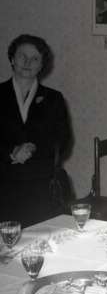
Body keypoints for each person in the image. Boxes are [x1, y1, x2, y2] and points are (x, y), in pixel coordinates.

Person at [0, 34, 72, 227]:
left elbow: (63, 141)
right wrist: (11, 153)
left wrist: (33, 150)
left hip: (41, 188)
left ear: (41, 66)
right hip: (4, 185)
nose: (27, 62)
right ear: (12, 59)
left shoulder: (54, 99)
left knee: (42, 239)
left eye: (35, 59)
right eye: (22, 56)